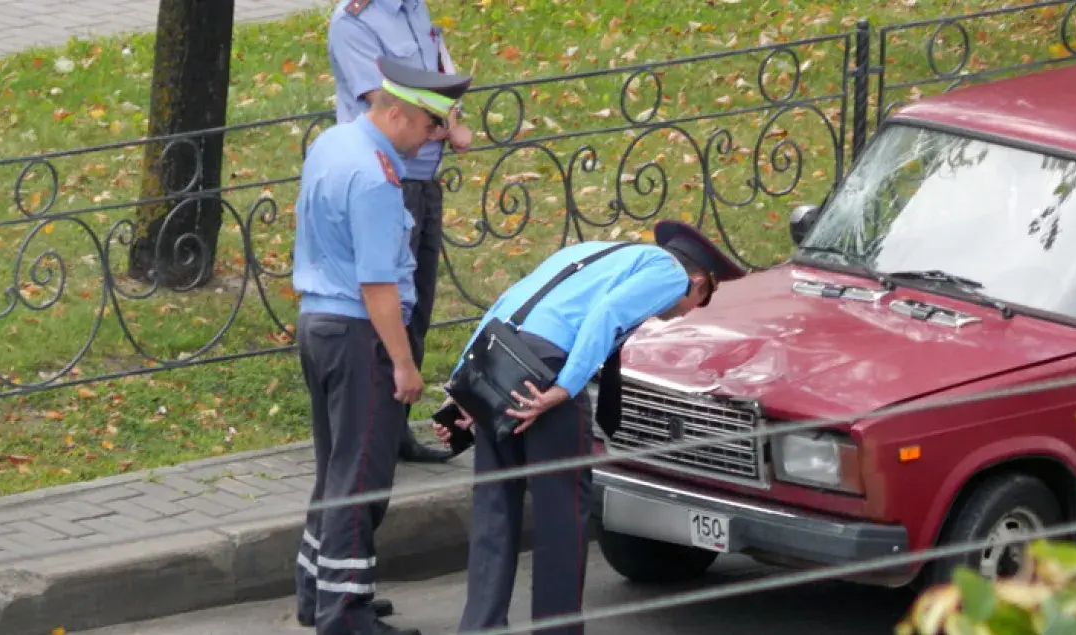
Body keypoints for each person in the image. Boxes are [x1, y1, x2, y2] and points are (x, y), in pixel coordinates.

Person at [432, 220, 746, 635]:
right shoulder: (669, 273)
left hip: (502, 363)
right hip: (546, 372)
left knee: (494, 511)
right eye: (700, 301)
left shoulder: (589, 252)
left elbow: (504, 304)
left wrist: (463, 392)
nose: (687, 311)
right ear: (699, 281)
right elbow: (609, 314)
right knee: (561, 519)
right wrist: (563, 388)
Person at [291, 55, 473, 635]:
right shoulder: (374, 177)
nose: (430, 139)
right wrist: (403, 362)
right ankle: (345, 613)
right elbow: (377, 284)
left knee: (336, 468)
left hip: (318, 323)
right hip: (359, 335)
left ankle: (317, 591)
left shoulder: (333, 142)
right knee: (363, 477)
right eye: (426, 125)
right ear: (396, 112)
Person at [328, 0, 475, 465]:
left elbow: (441, 77)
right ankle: (363, 437)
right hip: (383, 182)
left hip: (425, 181)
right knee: (381, 307)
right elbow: (385, 106)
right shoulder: (353, 21)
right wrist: (445, 126)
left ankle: (393, 434)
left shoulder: (416, 9)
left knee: (416, 309)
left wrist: (446, 122)